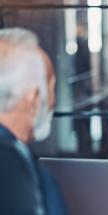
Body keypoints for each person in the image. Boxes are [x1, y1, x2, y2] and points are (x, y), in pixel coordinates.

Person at [0, 28, 68, 215]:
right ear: (33, 98)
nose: (53, 100)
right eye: (51, 86)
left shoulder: (18, 152)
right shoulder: (12, 165)